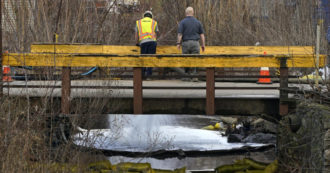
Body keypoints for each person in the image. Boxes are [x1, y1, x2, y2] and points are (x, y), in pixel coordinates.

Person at [177, 7, 205, 82]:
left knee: (185, 59)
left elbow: (180, 34)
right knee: (195, 59)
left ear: (186, 13)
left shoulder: (182, 22)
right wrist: (203, 45)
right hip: (195, 43)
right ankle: (195, 76)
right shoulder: (198, 22)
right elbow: (202, 35)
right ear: (193, 13)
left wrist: (178, 43)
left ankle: (186, 76)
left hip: (185, 43)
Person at [135, 11, 159, 80]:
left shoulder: (138, 22)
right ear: (151, 16)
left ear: (144, 16)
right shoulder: (154, 22)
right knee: (150, 59)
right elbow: (155, 34)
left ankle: (142, 75)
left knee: (143, 58)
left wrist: (137, 43)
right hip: (152, 42)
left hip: (143, 42)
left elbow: (136, 34)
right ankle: (149, 75)